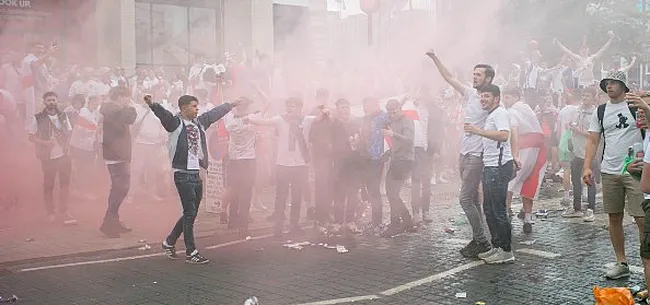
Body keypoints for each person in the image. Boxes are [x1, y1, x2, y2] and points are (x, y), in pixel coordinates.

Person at [146, 94, 237, 265]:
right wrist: (153, 105)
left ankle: (170, 241)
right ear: (183, 108)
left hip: (197, 172)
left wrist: (230, 104)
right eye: (194, 106)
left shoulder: (199, 123)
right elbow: (164, 116)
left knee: (191, 212)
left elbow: (213, 114)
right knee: (190, 213)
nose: (197, 109)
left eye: (197, 106)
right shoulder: (175, 124)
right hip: (183, 173)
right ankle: (191, 252)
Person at [426, 49, 493, 258]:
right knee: (472, 199)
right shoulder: (471, 94)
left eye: (479, 75)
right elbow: (449, 77)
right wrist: (435, 58)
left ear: (488, 78)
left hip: (476, 155)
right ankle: (478, 238)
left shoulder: (489, 99)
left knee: (465, 199)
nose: (474, 77)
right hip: (464, 153)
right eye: (473, 74)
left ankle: (482, 241)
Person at [583, 71, 646, 279]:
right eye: (607, 83)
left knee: (642, 218)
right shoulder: (600, 110)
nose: (609, 86)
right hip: (609, 170)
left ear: (624, 85)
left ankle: (647, 266)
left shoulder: (636, 105)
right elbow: (593, 140)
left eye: (614, 83)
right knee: (614, 216)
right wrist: (587, 167)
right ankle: (621, 262)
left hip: (636, 170)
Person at [464, 84, 516, 264]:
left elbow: (504, 135)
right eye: (481, 96)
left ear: (496, 98)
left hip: (499, 167)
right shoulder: (491, 114)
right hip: (490, 165)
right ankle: (497, 246)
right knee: (489, 209)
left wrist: (478, 131)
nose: (483, 99)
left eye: (487, 96)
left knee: (498, 210)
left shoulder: (500, 113)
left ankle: (506, 250)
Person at [27, 91, 76, 225]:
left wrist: (67, 146)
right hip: (48, 157)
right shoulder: (38, 118)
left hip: (64, 156)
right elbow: (31, 137)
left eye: (54, 100)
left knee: (65, 184)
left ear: (57, 101)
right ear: (44, 102)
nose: (52, 103)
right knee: (49, 185)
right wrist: (45, 143)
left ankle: (64, 210)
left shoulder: (63, 115)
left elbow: (69, 132)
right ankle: (50, 212)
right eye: (49, 100)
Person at [502, 85, 546, 233]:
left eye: (507, 97)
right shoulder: (527, 108)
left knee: (508, 182)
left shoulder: (512, 111)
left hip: (522, 149)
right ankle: (527, 219)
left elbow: (512, 130)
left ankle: (506, 214)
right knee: (529, 182)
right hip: (538, 150)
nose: (505, 100)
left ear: (516, 97)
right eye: (504, 96)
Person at [99, 86, 137, 238]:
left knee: (121, 188)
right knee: (119, 188)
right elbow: (129, 118)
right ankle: (109, 222)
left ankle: (112, 220)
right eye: (127, 97)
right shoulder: (112, 110)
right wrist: (130, 107)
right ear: (119, 96)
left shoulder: (115, 110)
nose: (128, 100)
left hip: (119, 153)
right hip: (115, 154)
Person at [380, 99, 415, 237]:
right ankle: (406, 221)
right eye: (390, 113)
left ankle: (397, 223)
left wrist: (392, 134)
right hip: (396, 159)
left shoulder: (407, 120)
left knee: (392, 193)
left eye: (395, 112)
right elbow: (396, 144)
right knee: (391, 193)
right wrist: (388, 153)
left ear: (400, 109)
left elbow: (409, 140)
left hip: (405, 161)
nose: (393, 115)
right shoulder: (392, 122)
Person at [563, 87, 599, 221]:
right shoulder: (577, 110)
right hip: (576, 152)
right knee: (575, 181)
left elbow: (594, 135)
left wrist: (577, 131)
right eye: (583, 95)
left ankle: (591, 209)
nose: (585, 98)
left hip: (588, 154)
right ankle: (576, 208)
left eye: (588, 96)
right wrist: (571, 127)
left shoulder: (595, 113)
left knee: (589, 182)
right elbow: (574, 125)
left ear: (594, 98)